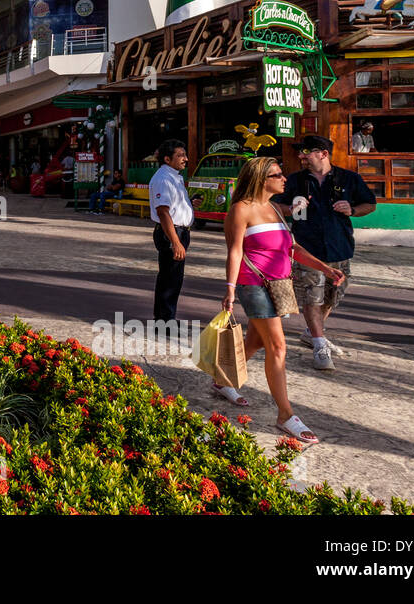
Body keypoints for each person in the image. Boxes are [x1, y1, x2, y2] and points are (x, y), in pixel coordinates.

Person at [219, 157, 346, 444]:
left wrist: (324, 267)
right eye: (277, 175)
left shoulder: (275, 208)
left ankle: (223, 379)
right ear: (260, 179)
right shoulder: (241, 210)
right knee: (277, 345)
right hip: (253, 286)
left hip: (279, 285)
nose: (284, 179)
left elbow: (292, 248)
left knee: (257, 341)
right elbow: (234, 251)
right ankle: (285, 415)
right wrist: (229, 288)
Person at [275, 134, 377, 370]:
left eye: (306, 152)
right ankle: (320, 344)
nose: (301, 156)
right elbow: (275, 204)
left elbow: (370, 204)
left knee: (332, 296)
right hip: (306, 248)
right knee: (312, 296)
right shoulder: (294, 181)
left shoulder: (349, 178)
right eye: (300, 152)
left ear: (323, 153)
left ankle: (311, 333)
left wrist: (352, 209)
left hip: (339, 247)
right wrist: (290, 208)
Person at [149, 139, 194, 321]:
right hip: (171, 233)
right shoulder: (163, 178)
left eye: (185, 155)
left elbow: (174, 207)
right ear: (167, 159)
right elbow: (163, 212)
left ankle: (163, 318)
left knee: (172, 278)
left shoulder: (174, 176)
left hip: (179, 231)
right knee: (170, 280)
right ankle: (165, 321)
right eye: (180, 155)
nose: (186, 159)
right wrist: (175, 242)